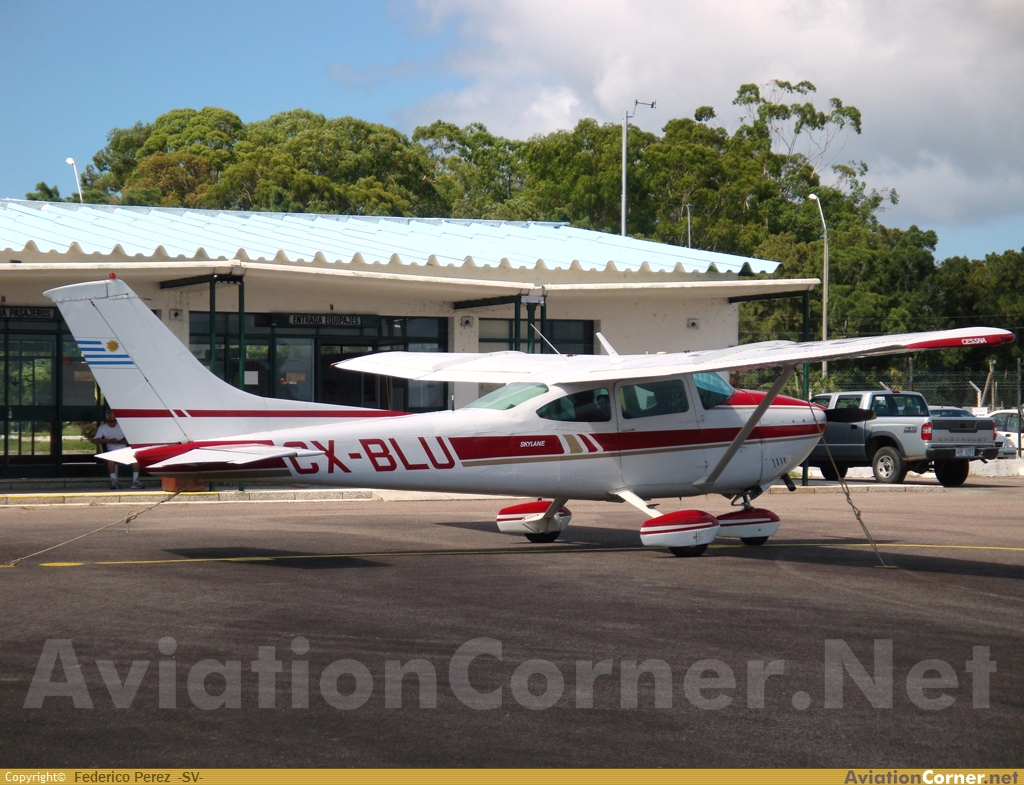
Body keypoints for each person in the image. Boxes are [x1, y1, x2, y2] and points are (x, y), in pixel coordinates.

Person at [93, 411, 142, 489]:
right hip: (111, 450)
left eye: (115, 421)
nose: (113, 423)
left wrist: (126, 441)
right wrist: (109, 441)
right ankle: (113, 480)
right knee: (110, 459)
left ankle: (135, 479)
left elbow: (132, 436)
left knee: (136, 458)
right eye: (111, 421)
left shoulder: (121, 426)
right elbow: (96, 440)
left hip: (124, 449)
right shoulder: (102, 427)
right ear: (107, 420)